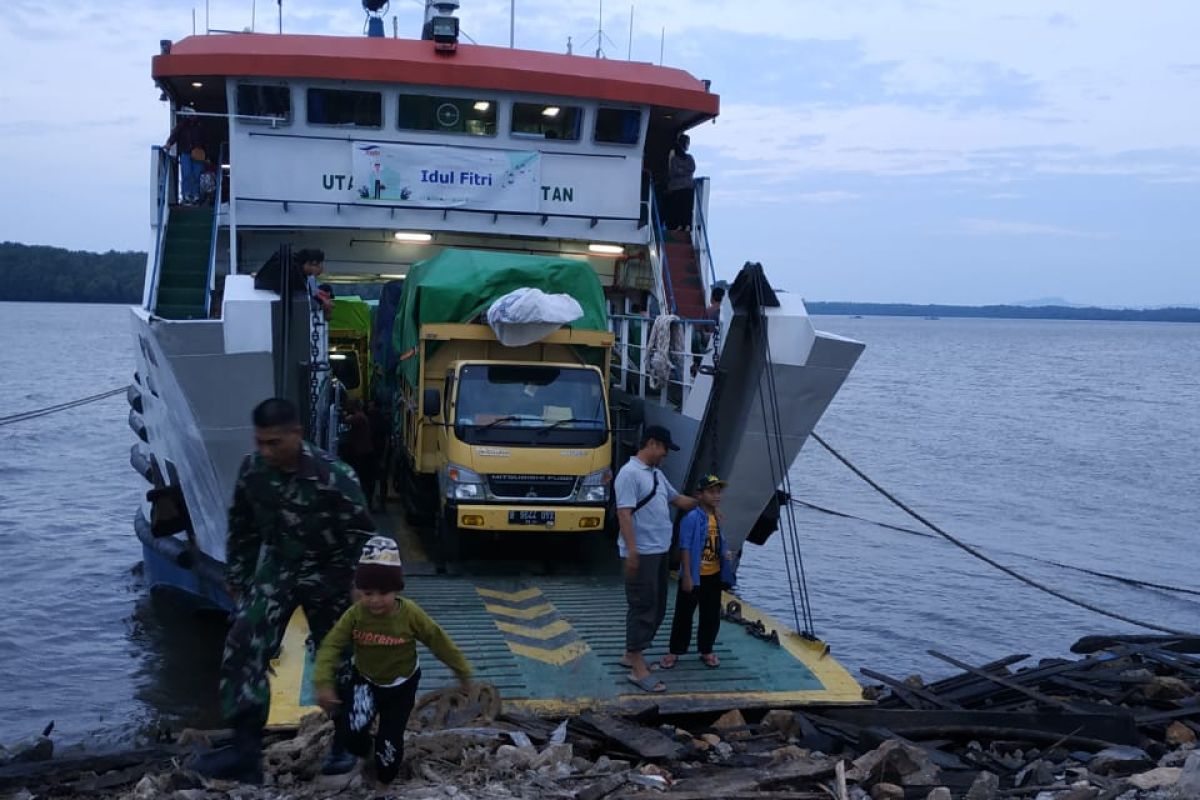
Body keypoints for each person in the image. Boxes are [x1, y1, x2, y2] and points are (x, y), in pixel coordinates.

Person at [190, 397, 376, 783]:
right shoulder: (253, 472)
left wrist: (361, 584)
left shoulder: (334, 476)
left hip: (331, 572)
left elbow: (361, 534)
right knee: (243, 641)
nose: (264, 450)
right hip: (280, 568)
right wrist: (239, 579)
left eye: (273, 442)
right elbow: (242, 527)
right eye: (259, 441)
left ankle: (345, 740)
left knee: (340, 655)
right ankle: (245, 751)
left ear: (296, 435)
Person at [314, 536, 473, 791]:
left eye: (383, 593)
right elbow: (331, 646)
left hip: (401, 686)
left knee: (390, 746)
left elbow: (438, 640)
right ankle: (367, 752)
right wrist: (323, 682)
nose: (375, 600)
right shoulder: (355, 616)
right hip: (365, 681)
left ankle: (382, 786)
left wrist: (462, 672)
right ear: (359, 591)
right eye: (368, 593)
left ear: (397, 589)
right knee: (350, 733)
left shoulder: (410, 615)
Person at [613, 425, 698, 692]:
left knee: (658, 606)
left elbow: (678, 500)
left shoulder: (656, 475)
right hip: (643, 552)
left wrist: (706, 502)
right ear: (652, 444)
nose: (666, 455)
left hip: (658, 550)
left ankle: (630, 655)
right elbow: (624, 514)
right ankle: (638, 670)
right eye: (664, 449)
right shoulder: (629, 474)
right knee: (643, 607)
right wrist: (633, 551)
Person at [661, 474, 736, 669]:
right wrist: (686, 575)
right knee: (683, 615)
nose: (716, 496)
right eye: (711, 492)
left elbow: (717, 541)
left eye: (718, 492)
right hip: (694, 575)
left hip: (713, 574)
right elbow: (685, 547)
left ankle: (707, 649)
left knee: (711, 615)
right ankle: (675, 651)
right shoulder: (692, 518)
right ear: (700, 495)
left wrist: (724, 553)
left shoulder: (716, 517)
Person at [254, 248, 333, 316]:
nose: (321, 269)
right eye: (319, 266)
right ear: (312, 263)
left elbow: (311, 293)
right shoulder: (294, 274)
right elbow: (305, 303)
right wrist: (322, 305)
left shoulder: (300, 270)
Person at [165, 106, 205, 205]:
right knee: (186, 174)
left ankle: (195, 195)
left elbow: (205, 140)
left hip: (198, 153)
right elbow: (175, 134)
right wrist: (169, 143)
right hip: (186, 152)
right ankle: (186, 195)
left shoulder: (200, 125)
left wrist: (206, 154)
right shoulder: (182, 125)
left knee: (196, 175)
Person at [665, 134, 696, 232]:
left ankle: (683, 226)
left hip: (681, 188)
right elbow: (675, 171)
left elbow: (692, 168)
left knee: (682, 208)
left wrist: (680, 170)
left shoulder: (687, 158)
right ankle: (683, 226)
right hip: (684, 187)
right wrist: (684, 171)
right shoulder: (675, 158)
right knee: (683, 208)